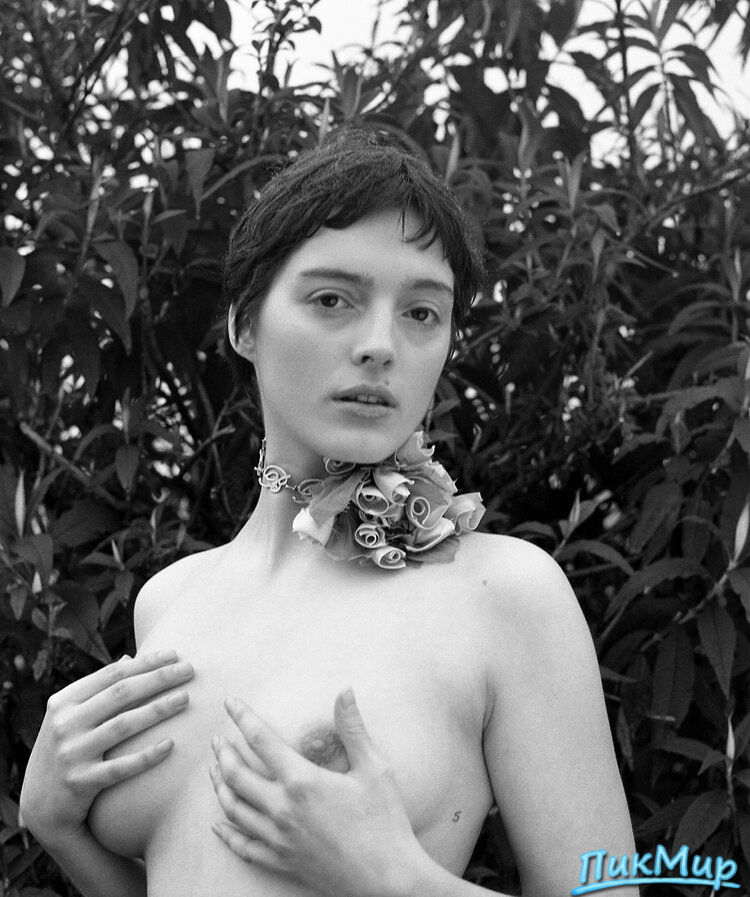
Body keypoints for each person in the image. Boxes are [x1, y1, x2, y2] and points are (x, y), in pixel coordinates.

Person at [20, 130, 638, 897]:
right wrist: (58, 827)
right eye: (332, 299)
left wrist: (394, 876)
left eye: (422, 312)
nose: (381, 345)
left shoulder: (505, 595)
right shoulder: (169, 600)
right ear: (245, 323)